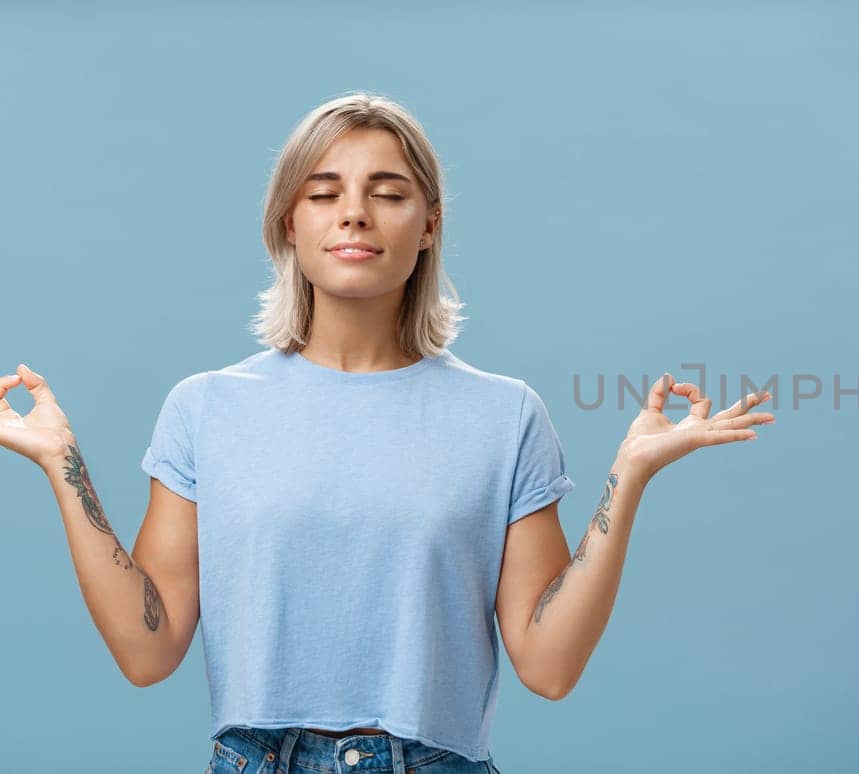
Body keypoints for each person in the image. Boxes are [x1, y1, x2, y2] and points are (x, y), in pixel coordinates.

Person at [0, 92, 776, 774]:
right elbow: (148, 650)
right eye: (324, 192)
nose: (355, 214)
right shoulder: (206, 408)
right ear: (288, 223)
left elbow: (549, 667)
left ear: (430, 222)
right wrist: (62, 466)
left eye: (389, 192)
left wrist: (628, 476)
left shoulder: (505, 415)